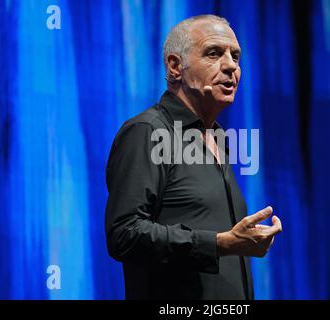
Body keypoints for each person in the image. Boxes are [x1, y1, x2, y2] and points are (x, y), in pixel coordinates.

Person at [105, 14, 282, 300]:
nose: (231, 66)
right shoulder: (147, 131)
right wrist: (220, 243)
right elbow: (124, 235)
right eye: (214, 53)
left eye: (236, 57)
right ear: (175, 67)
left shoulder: (219, 140)